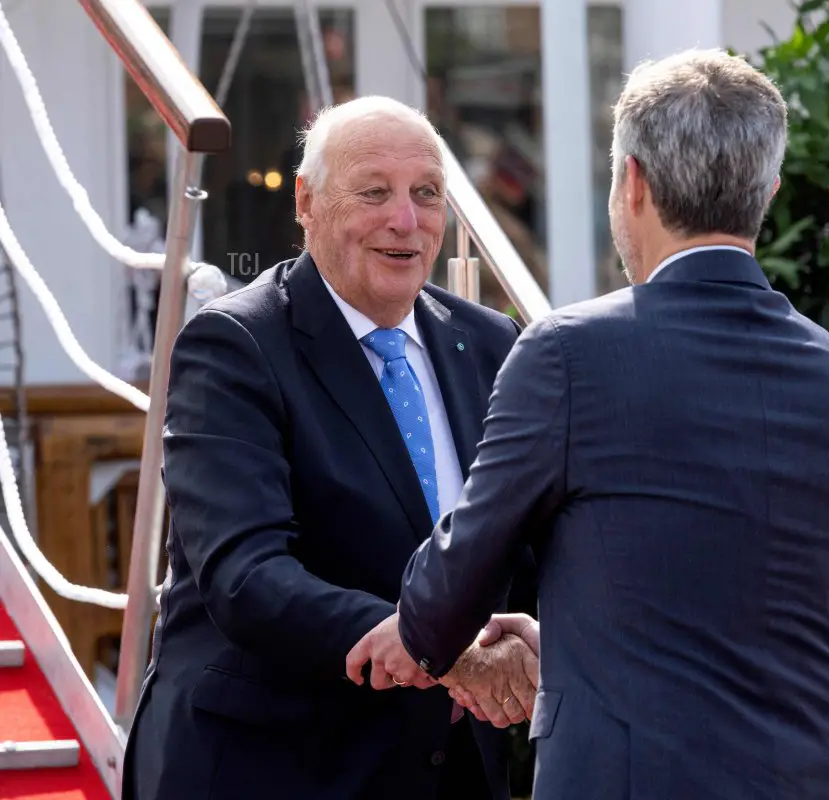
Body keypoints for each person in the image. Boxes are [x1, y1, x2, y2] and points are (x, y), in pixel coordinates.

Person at [345, 49, 829, 799]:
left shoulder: (569, 353)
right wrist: (572, 642)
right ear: (765, 190)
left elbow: (457, 572)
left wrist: (417, 636)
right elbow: (792, 598)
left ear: (631, 182)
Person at [122, 96, 539, 800]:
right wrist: (437, 651)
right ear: (307, 203)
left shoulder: (493, 345)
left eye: (426, 194)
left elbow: (524, 544)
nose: (405, 220)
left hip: (446, 768)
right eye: (374, 192)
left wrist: (533, 640)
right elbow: (245, 575)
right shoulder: (236, 345)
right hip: (273, 764)